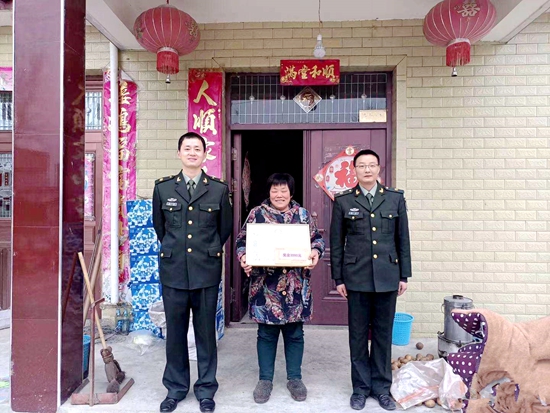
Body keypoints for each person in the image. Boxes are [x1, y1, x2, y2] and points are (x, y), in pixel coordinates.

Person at [152, 132, 233, 413]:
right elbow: (160, 227)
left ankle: (206, 390)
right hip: (174, 271)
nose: (192, 153)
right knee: (175, 334)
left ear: (205, 154)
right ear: (179, 153)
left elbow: (224, 229)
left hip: (206, 271)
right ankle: (175, 389)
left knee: (205, 334)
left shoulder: (218, 190)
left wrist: (206, 251)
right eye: (187, 148)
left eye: (197, 148)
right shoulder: (163, 188)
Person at [330, 149, 411, 411]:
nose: (367, 169)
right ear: (354, 170)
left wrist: (404, 275)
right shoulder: (343, 201)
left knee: (383, 335)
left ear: (378, 168)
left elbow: (403, 239)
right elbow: (336, 242)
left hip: (388, 276)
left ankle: (382, 388)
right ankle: (360, 388)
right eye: (362, 166)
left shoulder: (394, 198)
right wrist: (338, 278)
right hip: (356, 278)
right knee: (357, 336)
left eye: (371, 165)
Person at [235, 173, 325, 404]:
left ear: (291, 193)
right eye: (275, 190)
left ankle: (295, 378)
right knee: (266, 334)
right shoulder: (257, 214)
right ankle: (265, 380)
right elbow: (241, 241)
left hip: (296, 285)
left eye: (284, 190)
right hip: (265, 286)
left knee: (295, 334)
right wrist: (244, 257)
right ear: (269, 192)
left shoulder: (303, 215)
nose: (279, 194)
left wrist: (315, 252)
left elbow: (317, 239)